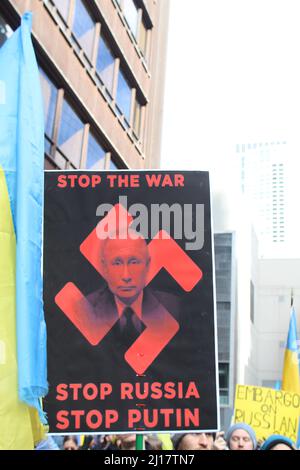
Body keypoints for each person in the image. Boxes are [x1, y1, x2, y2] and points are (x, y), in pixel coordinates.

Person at [74, 228, 180, 373]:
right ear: (104, 267)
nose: (126, 275)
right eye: (117, 263)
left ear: (148, 265)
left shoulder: (172, 308)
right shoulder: (85, 310)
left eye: (134, 262)